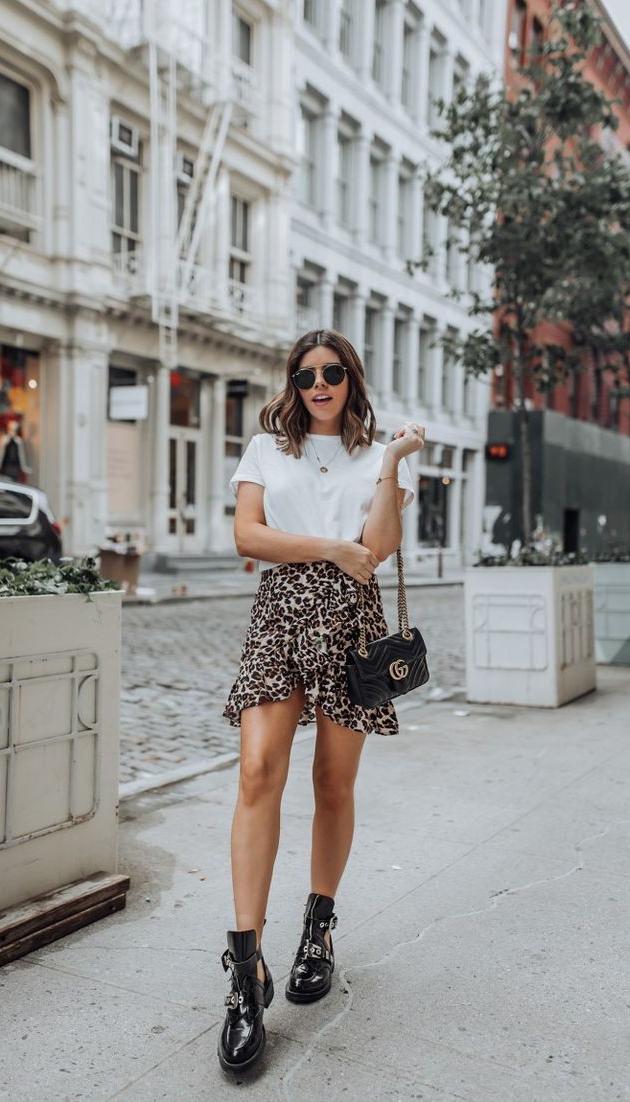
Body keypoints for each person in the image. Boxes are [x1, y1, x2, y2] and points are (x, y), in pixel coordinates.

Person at [218, 328, 425, 1073]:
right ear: (293, 383)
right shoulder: (268, 447)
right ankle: (246, 973)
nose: (319, 384)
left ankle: (318, 929)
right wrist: (327, 548)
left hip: (351, 621)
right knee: (256, 773)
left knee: (332, 781)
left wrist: (394, 467)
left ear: (352, 379)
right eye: (306, 375)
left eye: (333, 372)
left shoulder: (381, 456)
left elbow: (378, 549)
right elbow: (248, 535)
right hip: (279, 614)